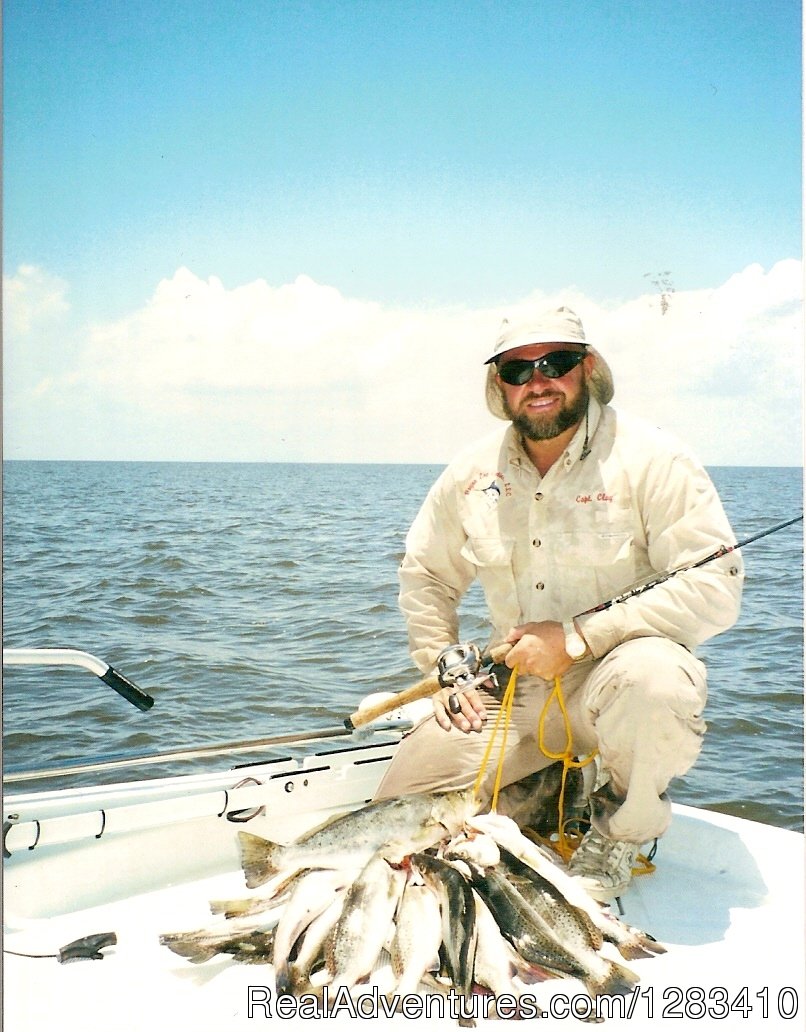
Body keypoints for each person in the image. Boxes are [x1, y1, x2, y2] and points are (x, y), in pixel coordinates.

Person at [374, 306, 744, 899]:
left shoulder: (656, 458)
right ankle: (545, 782)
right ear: (499, 385)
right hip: (519, 686)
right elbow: (426, 574)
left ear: (588, 368)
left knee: (656, 683)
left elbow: (716, 587)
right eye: (518, 369)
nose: (538, 381)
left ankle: (621, 835)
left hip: (621, 675)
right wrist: (445, 667)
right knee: (397, 816)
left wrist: (576, 638)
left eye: (557, 362)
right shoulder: (470, 473)